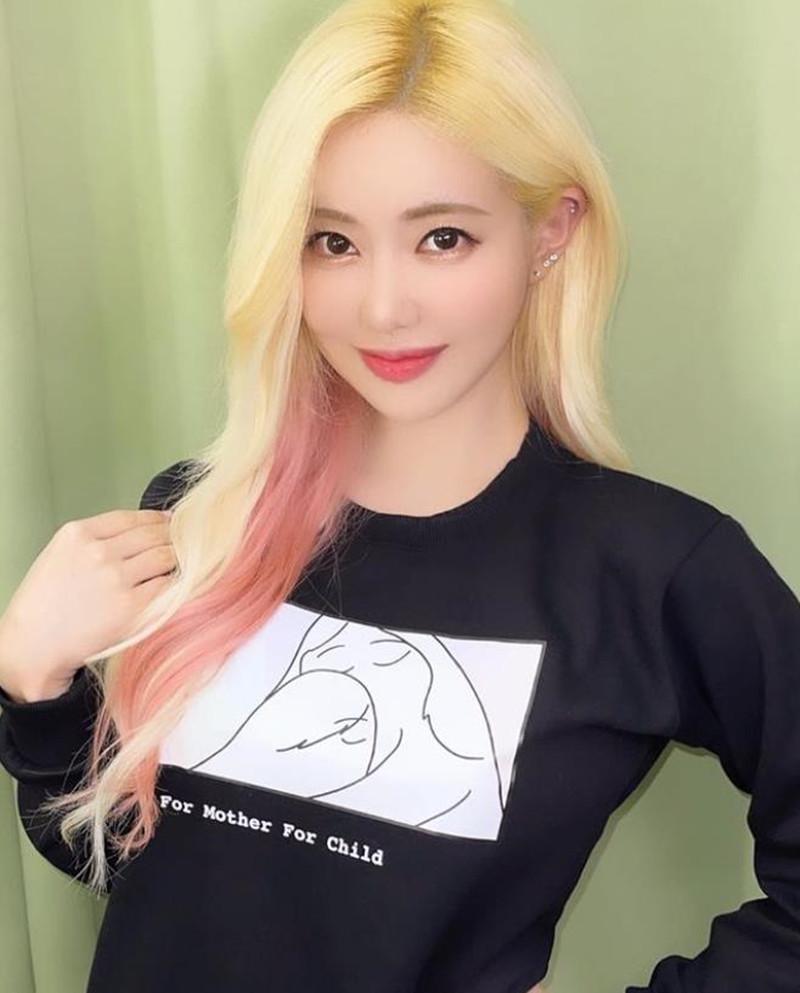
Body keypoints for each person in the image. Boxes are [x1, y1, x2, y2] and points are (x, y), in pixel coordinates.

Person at [1, 1, 798, 991]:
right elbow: (132, 869)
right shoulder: (201, 516)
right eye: (332, 242)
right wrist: (36, 683)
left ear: (549, 231)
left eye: (442, 238)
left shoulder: (650, 570)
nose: (382, 306)